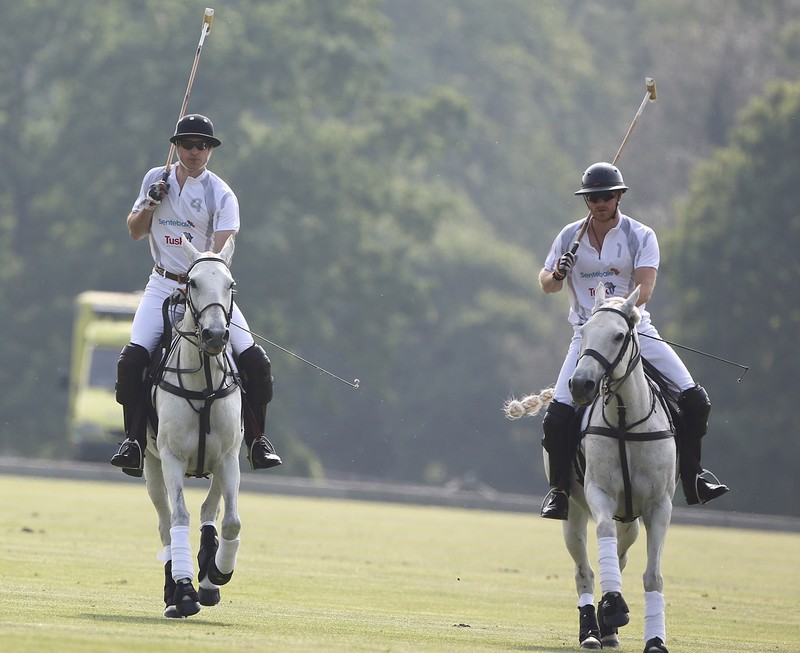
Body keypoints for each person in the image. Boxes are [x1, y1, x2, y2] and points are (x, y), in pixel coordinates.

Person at [537, 161, 729, 520]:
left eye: (607, 196)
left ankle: (693, 477)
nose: (600, 202)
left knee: (696, 400)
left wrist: (612, 312)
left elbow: (644, 289)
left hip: (635, 331)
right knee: (557, 417)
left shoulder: (641, 235)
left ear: (619, 196)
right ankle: (560, 491)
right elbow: (546, 283)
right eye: (593, 197)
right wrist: (557, 272)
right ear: (586, 200)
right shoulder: (569, 237)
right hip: (587, 337)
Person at [110, 113, 282, 477]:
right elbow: (135, 231)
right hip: (161, 285)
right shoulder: (154, 179)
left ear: (210, 151)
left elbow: (220, 255)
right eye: (187, 144)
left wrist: (200, 281)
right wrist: (151, 203)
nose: (194, 152)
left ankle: (256, 439)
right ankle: (134, 441)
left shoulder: (219, 193)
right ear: (176, 146)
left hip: (206, 292)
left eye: (202, 146)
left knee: (256, 363)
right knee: (131, 362)